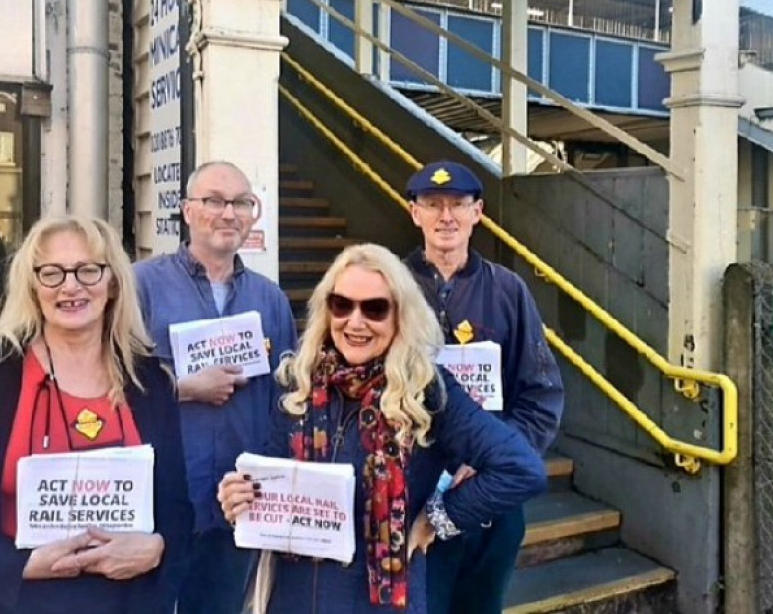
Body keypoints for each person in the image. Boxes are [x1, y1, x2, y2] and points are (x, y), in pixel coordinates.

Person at [0, 215, 193, 614]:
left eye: (88, 270)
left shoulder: (150, 382)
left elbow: (178, 514)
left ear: (113, 282)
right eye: (52, 273)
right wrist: (21, 565)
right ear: (32, 286)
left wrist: (158, 547)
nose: (71, 286)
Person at [217, 243, 548, 613]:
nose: (355, 322)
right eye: (342, 305)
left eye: (374, 309)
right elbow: (271, 475)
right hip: (294, 598)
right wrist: (239, 496)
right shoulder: (300, 384)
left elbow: (521, 469)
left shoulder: (428, 391)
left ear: (399, 316)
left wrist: (438, 518)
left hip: (381, 602)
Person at [133, 161, 298, 614]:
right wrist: (182, 387)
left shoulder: (270, 298)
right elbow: (112, 379)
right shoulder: (140, 285)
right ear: (187, 210)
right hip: (161, 496)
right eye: (214, 201)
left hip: (238, 501)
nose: (229, 213)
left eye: (241, 203)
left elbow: (287, 398)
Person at [403, 161, 564, 614]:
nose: (446, 216)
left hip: (489, 492)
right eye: (433, 204)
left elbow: (540, 395)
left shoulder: (508, 290)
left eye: (458, 204)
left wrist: (496, 455)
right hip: (413, 492)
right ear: (414, 212)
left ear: (478, 212)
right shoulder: (390, 286)